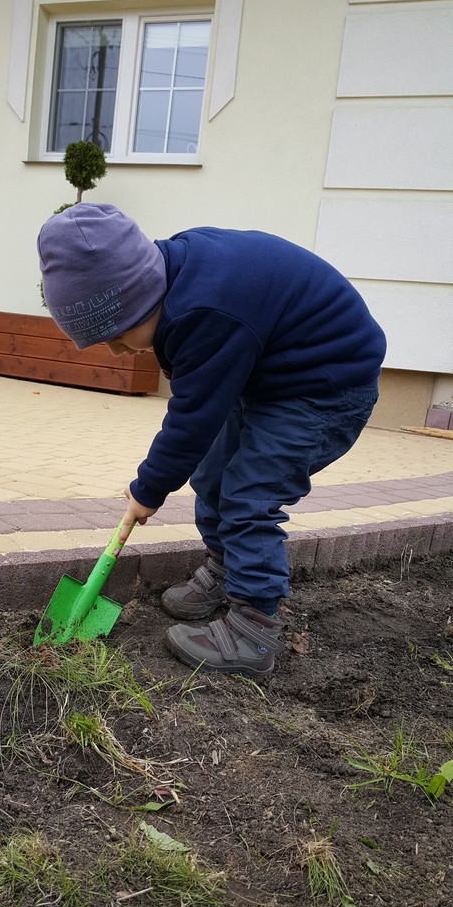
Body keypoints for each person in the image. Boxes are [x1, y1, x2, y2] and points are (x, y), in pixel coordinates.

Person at [37, 203, 386, 677]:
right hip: (267, 377)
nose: (117, 350)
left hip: (325, 387)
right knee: (212, 474)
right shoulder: (174, 276)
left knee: (249, 495)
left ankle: (253, 631)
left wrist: (149, 489)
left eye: (116, 335)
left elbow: (192, 419)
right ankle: (225, 569)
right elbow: (200, 418)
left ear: (142, 296)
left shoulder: (204, 311)